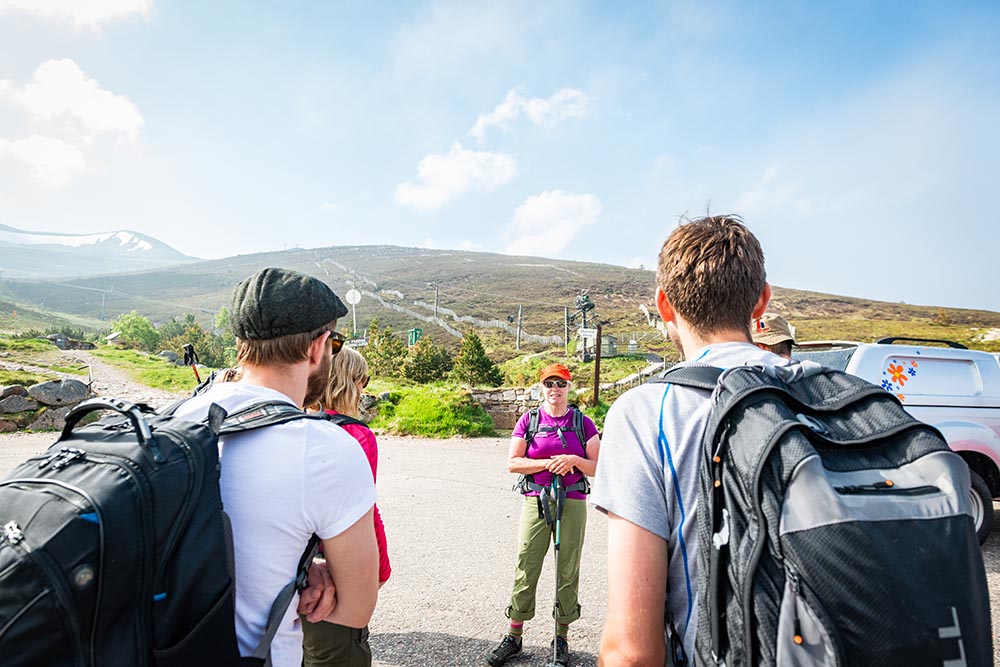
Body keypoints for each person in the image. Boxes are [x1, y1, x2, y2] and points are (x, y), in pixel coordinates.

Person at [591, 215, 788, 665]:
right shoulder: (841, 392)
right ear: (761, 301)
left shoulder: (648, 413)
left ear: (664, 305)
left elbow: (632, 653)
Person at [172, 267, 379, 667]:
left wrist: (300, 565)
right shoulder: (327, 447)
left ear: (240, 345)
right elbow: (355, 610)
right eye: (334, 342)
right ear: (318, 347)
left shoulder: (179, 414)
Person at [488, 364, 601, 667]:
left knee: (567, 568)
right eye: (549, 383)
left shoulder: (583, 423)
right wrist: (549, 464)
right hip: (536, 499)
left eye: (561, 384)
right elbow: (513, 463)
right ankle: (514, 636)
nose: (555, 389)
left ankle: (560, 639)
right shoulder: (529, 420)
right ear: (542, 388)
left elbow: (597, 467)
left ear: (569, 387)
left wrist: (574, 460)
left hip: (573, 499)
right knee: (527, 564)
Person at [302, 346, 390, 667]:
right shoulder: (356, 434)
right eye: (363, 380)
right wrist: (380, 569)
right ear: (349, 382)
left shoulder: (296, 423)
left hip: (295, 568)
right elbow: (365, 513)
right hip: (334, 571)